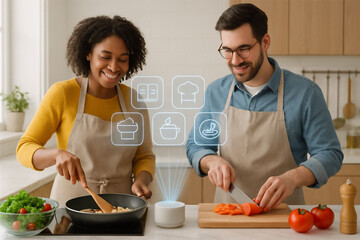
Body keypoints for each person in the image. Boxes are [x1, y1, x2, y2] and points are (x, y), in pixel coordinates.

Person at [186, 3, 343, 210]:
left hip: (287, 218)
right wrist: (211, 161)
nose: (235, 60)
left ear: (265, 42)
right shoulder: (216, 92)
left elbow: (329, 153)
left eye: (243, 49)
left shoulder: (305, 93)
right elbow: (196, 146)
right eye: (227, 50)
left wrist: (293, 178)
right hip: (229, 216)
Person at [16, 15, 155, 207]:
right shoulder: (63, 93)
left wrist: (142, 180)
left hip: (122, 207)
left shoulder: (134, 101)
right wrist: (56, 155)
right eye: (105, 57)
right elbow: (25, 147)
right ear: (88, 53)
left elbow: (144, 156)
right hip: (69, 205)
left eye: (122, 59)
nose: (114, 67)